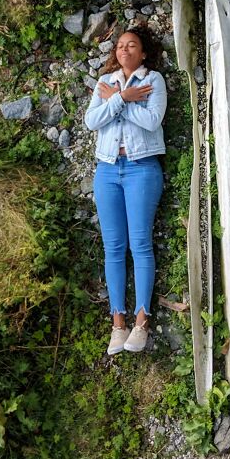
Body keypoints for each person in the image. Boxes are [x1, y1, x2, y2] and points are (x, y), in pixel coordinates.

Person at [84, 24, 167, 356]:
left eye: (131, 45)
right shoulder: (105, 83)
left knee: (140, 244)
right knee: (113, 247)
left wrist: (119, 101)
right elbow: (92, 122)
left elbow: (152, 121)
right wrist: (122, 98)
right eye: (119, 45)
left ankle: (141, 322)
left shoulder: (153, 80)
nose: (124, 49)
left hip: (141, 169)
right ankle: (118, 324)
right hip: (106, 170)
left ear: (143, 53)